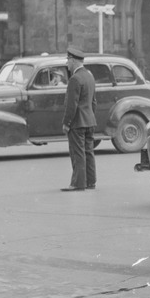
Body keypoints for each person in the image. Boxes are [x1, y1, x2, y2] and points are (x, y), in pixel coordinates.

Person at [61, 46, 98, 191]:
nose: (67, 64)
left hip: (77, 123)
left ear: (73, 60)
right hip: (89, 120)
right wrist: (90, 116)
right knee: (88, 152)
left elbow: (72, 105)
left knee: (78, 153)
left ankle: (78, 183)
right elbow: (94, 101)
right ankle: (91, 181)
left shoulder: (74, 79)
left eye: (68, 61)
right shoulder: (89, 75)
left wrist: (66, 123)